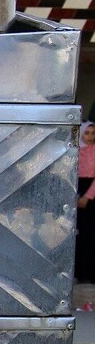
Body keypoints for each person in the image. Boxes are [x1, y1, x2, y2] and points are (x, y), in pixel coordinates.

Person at [75, 121, 95, 308]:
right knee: (76, 234)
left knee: (90, 234)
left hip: (91, 195)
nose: (89, 136)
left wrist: (87, 197)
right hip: (76, 190)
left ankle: (88, 272)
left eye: (92, 133)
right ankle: (77, 271)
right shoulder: (75, 150)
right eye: (86, 133)